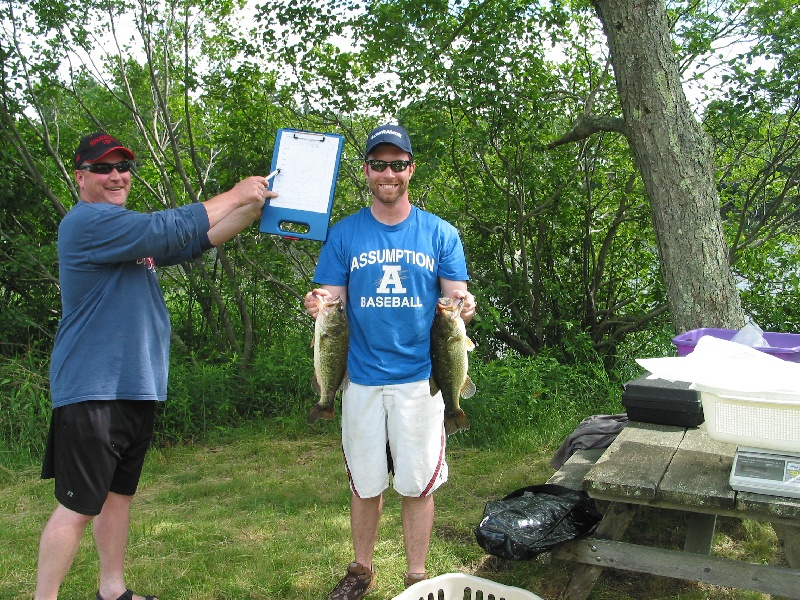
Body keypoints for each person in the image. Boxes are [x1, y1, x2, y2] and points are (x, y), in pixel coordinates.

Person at [35, 131, 276, 600]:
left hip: (135, 387)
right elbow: (168, 228)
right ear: (80, 176)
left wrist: (251, 210)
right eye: (103, 168)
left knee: (117, 496)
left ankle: (113, 591)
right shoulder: (87, 223)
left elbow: (193, 241)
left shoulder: (125, 234)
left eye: (123, 167)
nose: (116, 176)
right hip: (93, 390)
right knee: (79, 507)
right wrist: (234, 193)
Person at [303, 124, 476, 599]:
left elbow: (457, 295)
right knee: (365, 482)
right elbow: (328, 297)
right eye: (378, 164)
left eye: (397, 164)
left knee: (418, 484)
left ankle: (417, 578)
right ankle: (361, 570)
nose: (388, 173)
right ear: (366, 171)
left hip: (421, 380)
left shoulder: (440, 232)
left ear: (411, 169)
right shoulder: (345, 234)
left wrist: (464, 305)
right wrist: (316, 303)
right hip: (358, 378)